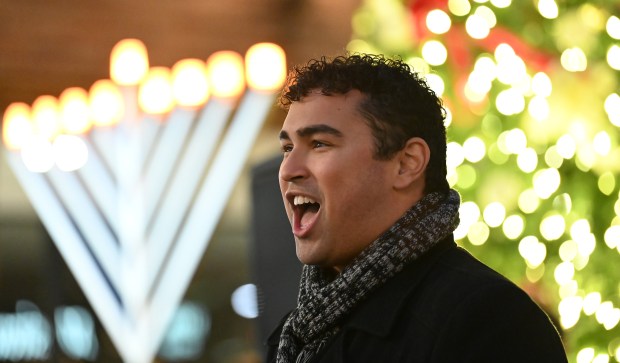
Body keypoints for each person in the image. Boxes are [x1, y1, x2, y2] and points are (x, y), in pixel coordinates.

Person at [267, 53, 568, 363]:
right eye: (287, 148)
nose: (289, 170)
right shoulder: (292, 336)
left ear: (407, 163)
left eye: (319, 143)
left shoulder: (490, 321)